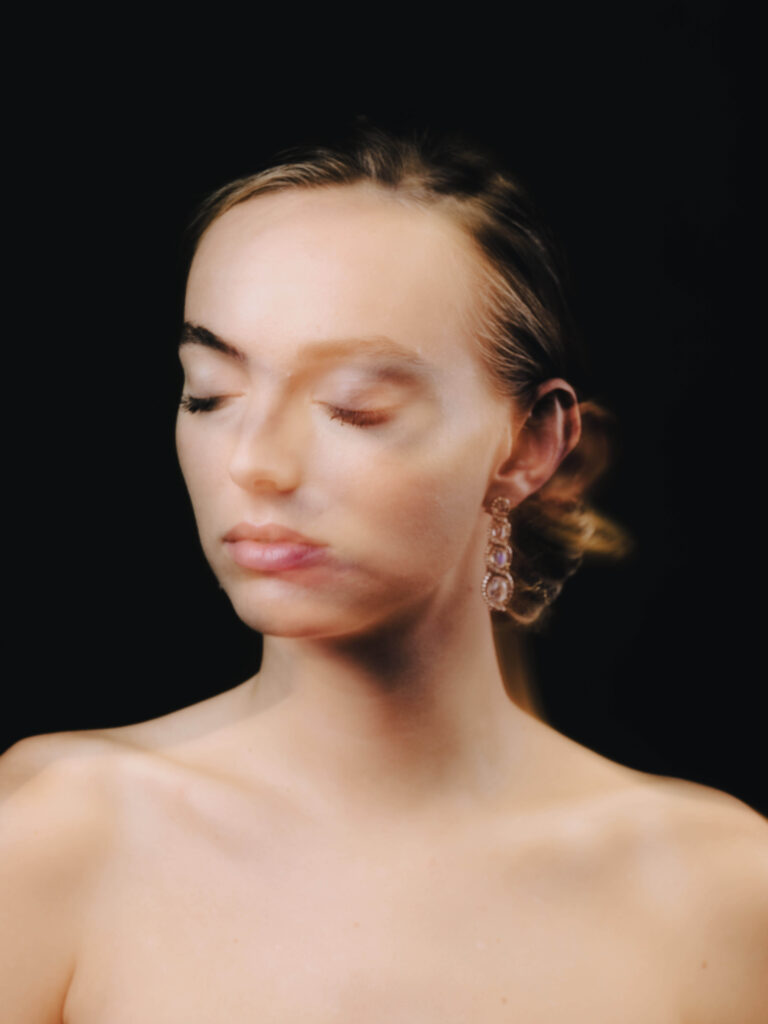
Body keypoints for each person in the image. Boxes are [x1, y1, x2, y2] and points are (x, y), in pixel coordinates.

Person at [2, 126, 766, 1022]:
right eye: (208, 392)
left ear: (530, 445)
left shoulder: (723, 889)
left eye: (356, 409)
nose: (256, 463)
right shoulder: (57, 833)